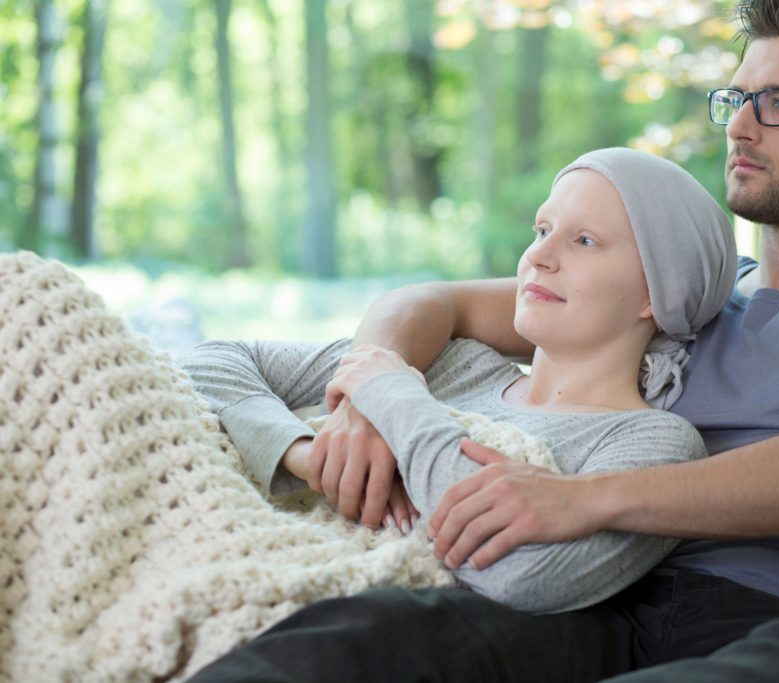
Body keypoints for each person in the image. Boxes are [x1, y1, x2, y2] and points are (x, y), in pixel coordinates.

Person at [189, 0, 779, 681]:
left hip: (758, 613)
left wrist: (581, 499)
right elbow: (432, 301)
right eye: (735, 98)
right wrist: (364, 400)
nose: (741, 126)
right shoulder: (686, 294)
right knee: (369, 634)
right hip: (592, 592)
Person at [183, 147, 736, 614]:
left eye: (584, 241)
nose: (538, 256)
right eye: (542, 230)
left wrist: (393, 398)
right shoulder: (455, 361)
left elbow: (529, 577)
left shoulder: (653, 443)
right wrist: (308, 456)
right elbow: (210, 363)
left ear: (656, 294)